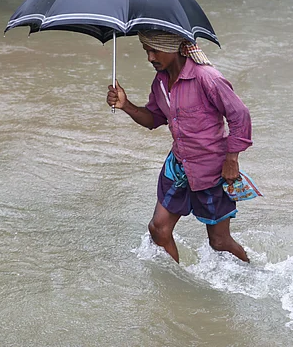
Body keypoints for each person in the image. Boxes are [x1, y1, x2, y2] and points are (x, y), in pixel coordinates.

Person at [106, 31, 252, 263]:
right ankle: (177, 289)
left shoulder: (207, 78)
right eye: (146, 50)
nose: (149, 57)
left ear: (174, 48)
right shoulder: (161, 83)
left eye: (155, 50)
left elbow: (240, 116)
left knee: (219, 242)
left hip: (212, 170)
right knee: (158, 230)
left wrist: (231, 160)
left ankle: (253, 275)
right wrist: (126, 105)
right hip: (178, 166)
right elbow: (153, 119)